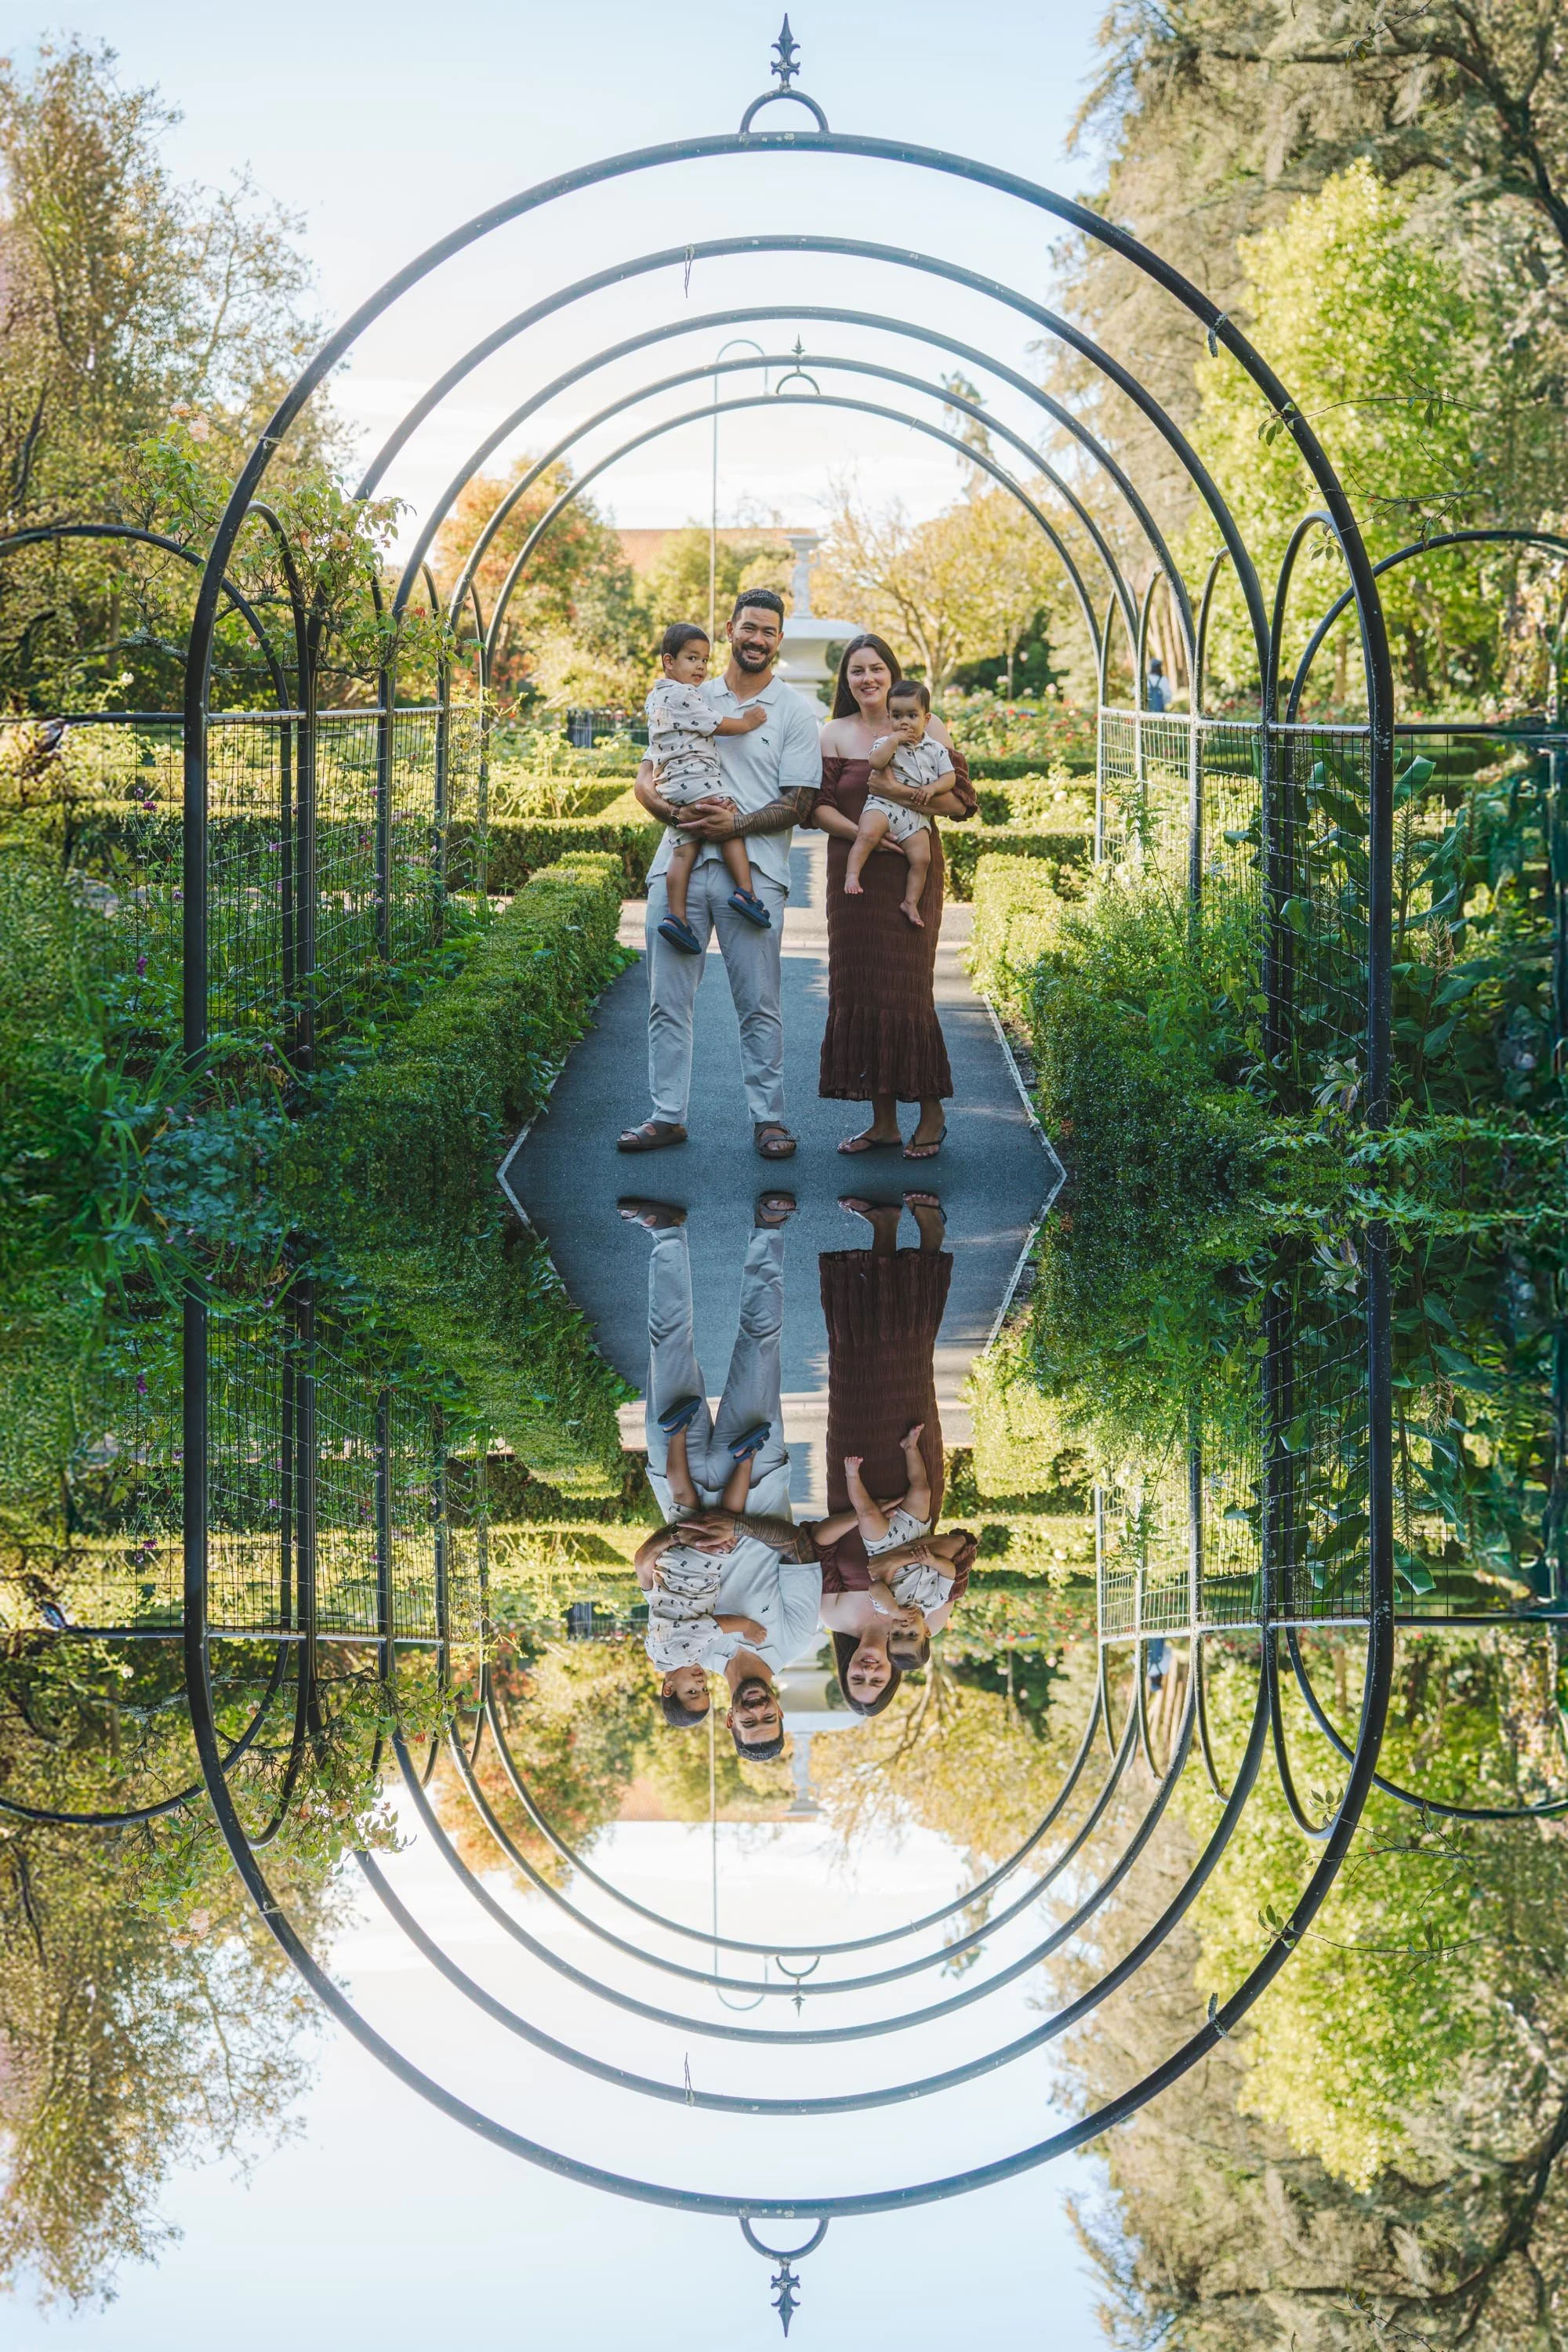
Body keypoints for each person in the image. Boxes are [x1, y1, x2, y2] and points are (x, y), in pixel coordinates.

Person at [619, 591, 822, 1164]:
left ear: (779, 640)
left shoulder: (795, 712)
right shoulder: (687, 689)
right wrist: (678, 815)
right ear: (731, 629)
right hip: (678, 866)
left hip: (753, 874)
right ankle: (666, 1117)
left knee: (759, 1003)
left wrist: (734, 822)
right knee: (666, 1001)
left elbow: (799, 804)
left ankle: (768, 1120)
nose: (757, 639)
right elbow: (644, 778)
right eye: (749, 628)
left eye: (769, 631)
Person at [620, 1194, 822, 1753]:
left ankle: (665, 1236)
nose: (757, 1711)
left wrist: (677, 1535)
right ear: (780, 1709)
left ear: (730, 1722)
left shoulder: (693, 1659)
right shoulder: (797, 1639)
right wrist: (739, 1528)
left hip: (680, 1491)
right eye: (769, 1718)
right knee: (759, 1344)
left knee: (667, 1350)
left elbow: (655, 1580)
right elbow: (802, 1549)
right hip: (753, 1472)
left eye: (749, 1722)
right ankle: (768, 1230)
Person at [812, 633, 977, 1160]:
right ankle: (882, 1123)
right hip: (854, 879)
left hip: (911, 874)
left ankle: (931, 1113)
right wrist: (867, 834)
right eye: (857, 671)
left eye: (877, 668)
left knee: (905, 993)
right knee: (860, 990)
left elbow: (961, 803)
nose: (868, 679)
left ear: (892, 672)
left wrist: (896, 796)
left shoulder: (927, 727)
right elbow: (814, 808)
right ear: (847, 680)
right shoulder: (834, 733)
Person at [644, 621, 771, 952]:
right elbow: (716, 725)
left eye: (704, 660)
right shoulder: (685, 695)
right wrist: (748, 722)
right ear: (668, 661)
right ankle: (746, 892)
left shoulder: (655, 696)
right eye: (691, 658)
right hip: (694, 777)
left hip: (670, 783)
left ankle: (676, 917)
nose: (700, 666)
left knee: (684, 850)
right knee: (728, 823)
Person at [635, 1421, 773, 1720]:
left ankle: (746, 1457)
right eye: (706, 1691)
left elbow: (714, 1625)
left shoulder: (682, 1654)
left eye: (692, 1691)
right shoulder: (655, 1653)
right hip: (672, 1566)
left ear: (669, 1689)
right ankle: (677, 1433)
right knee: (683, 1496)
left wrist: (747, 1627)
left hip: (696, 1572)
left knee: (729, 1522)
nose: (701, 1683)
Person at [843, 680, 950, 927]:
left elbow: (949, 777)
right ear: (888, 718)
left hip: (914, 816)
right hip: (883, 805)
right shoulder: (885, 744)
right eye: (897, 716)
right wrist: (892, 741)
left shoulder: (935, 749)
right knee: (867, 833)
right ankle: (852, 875)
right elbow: (875, 763)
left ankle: (910, 902)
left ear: (926, 719)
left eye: (912, 715)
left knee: (922, 859)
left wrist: (933, 788)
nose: (905, 722)